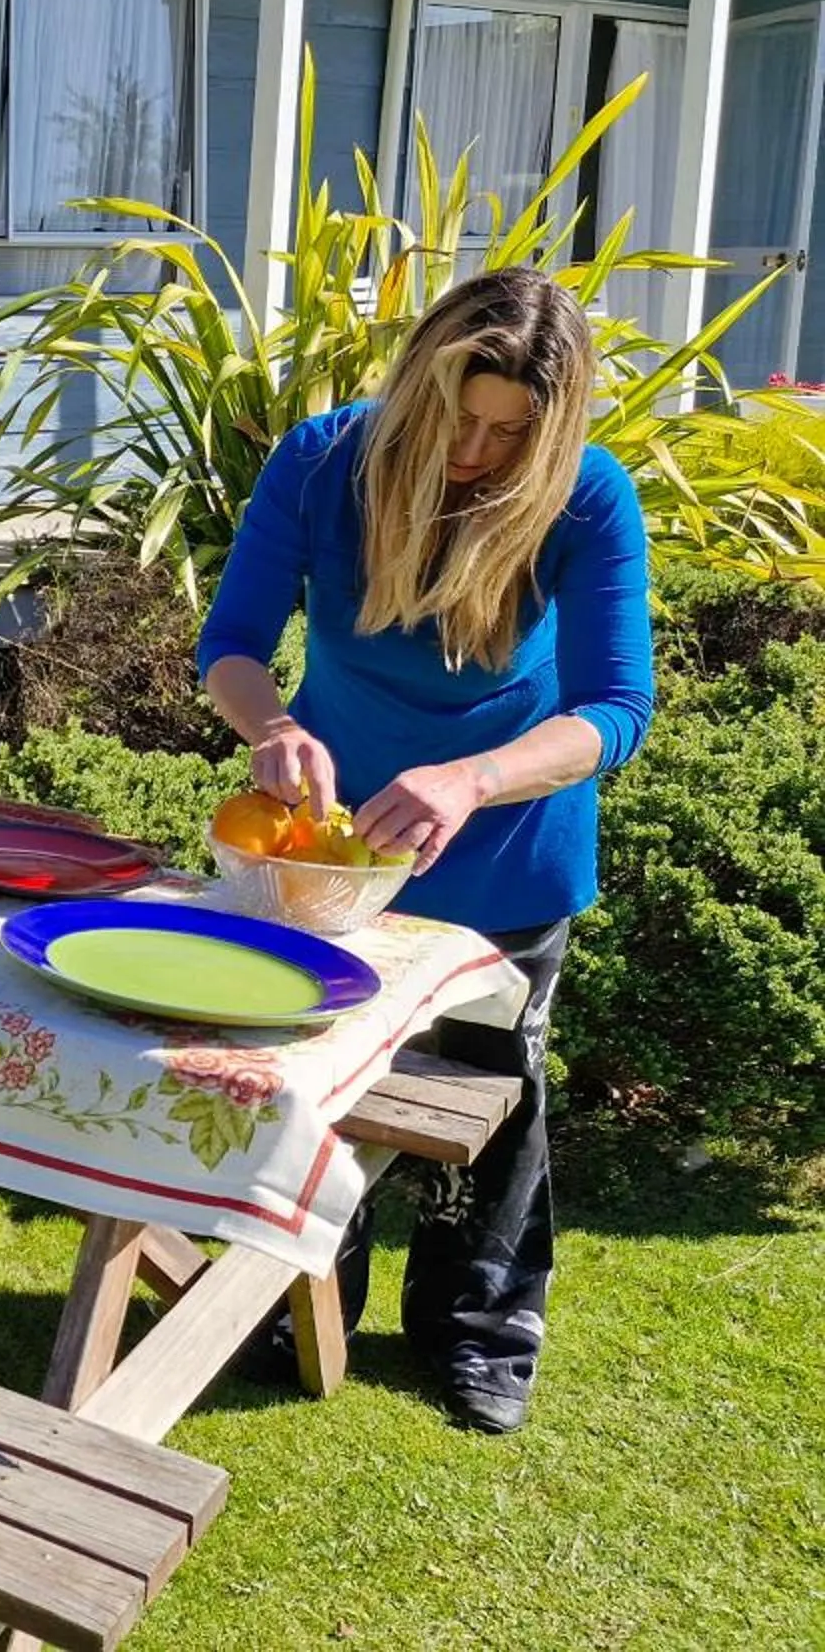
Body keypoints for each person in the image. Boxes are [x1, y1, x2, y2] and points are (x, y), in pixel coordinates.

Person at [196, 267, 654, 1435]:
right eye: (460, 412)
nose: (477, 449)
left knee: (486, 1115)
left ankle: (478, 1329)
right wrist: (275, 727)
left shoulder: (587, 499)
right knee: (314, 1093)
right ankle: (301, 1302)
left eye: (512, 433)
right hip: (330, 864)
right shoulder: (321, 462)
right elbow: (233, 646)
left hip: (509, 861)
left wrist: (474, 779)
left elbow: (616, 709)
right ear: (418, 381)